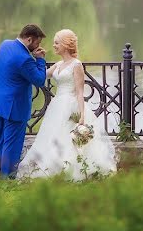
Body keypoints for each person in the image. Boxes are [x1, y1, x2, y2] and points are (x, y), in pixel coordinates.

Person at [18, 29, 117, 180]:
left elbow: (79, 92)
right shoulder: (58, 65)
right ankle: (53, 170)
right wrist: (37, 58)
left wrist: (82, 115)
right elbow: (41, 76)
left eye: (57, 43)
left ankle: (73, 172)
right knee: (52, 138)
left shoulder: (76, 65)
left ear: (65, 44)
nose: (54, 45)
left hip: (71, 107)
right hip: (57, 106)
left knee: (70, 140)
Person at [0, 24, 47, 177]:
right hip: (14, 106)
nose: (38, 46)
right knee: (12, 144)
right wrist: (40, 60)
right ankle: (6, 178)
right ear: (29, 39)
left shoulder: (5, 45)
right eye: (37, 43)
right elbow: (40, 80)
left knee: (1, 140)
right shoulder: (24, 59)